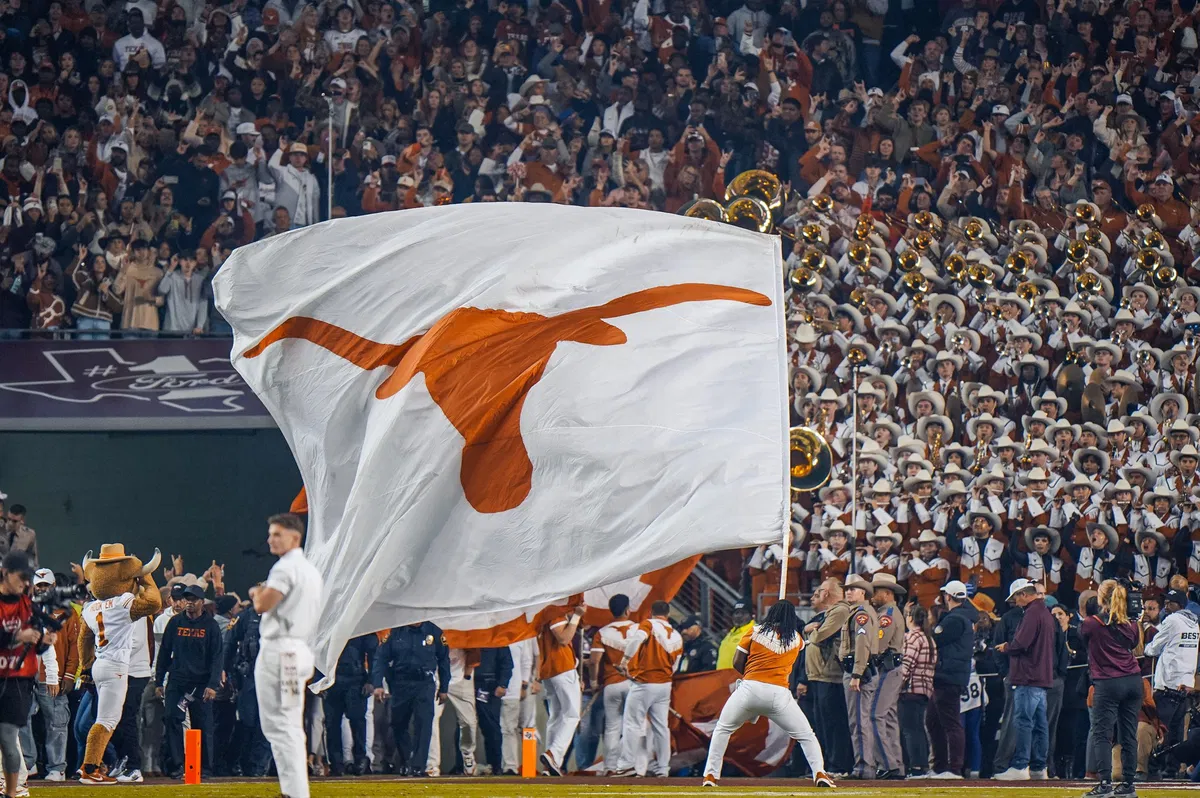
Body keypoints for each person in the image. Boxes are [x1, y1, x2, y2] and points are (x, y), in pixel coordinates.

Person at [702, 600, 834, 788]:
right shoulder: (796, 639)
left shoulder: (754, 631)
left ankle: (710, 776)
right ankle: (819, 773)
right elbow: (801, 642)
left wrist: (748, 674)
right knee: (806, 735)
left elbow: (737, 661)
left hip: (751, 688)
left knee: (723, 730)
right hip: (779, 693)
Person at [250, 513, 323, 798]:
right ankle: (294, 790)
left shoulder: (284, 568)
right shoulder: (311, 570)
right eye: (270, 533)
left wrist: (257, 592)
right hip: (300, 649)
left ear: (295, 537)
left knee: (279, 725)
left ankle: (294, 792)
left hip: (280, 650)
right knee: (290, 723)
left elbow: (263, 604)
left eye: (277, 534)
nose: (271, 539)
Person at [1081, 580, 1144, 798]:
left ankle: (1105, 784)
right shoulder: (1132, 624)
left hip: (1108, 682)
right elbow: (1134, 642)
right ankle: (1128, 784)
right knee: (1129, 734)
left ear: (1101, 598)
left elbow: (1084, 640)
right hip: (1134, 680)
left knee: (1102, 733)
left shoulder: (1092, 623)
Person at [0, 553, 55, 798]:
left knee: (8, 735)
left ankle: (16, 787)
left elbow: (39, 645)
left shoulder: (28, 605)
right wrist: (16, 638)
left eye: (26, 579)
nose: (24, 583)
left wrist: (45, 641)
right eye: (20, 577)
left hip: (17, 680)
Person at [155, 584, 222, 778]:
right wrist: (159, 681)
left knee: (202, 724)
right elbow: (165, 653)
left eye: (193, 599)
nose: (189, 603)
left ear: (202, 602)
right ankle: (177, 766)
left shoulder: (211, 625)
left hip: (200, 685)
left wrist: (212, 685)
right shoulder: (175, 623)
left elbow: (217, 657)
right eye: (186, 599)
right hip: (178, 682)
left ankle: (205, 769)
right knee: (172, 718)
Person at [994, 578, 1055, 781]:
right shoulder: (1044, 612)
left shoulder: (1031, 613)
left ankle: (1020, 764)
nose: (1014, 602)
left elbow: (1021, 643)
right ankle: (1039, 767)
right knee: (1040, 724)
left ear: (1023, 595)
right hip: (1041, 677)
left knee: (1023, 721)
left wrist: (1006, 647)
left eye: (1015, 598)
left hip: (1027, 676)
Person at [370, 621, 450, 776]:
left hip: (424, 684)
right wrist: (378, 684)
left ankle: (418, 766)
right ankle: (406, 759)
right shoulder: (395, 632)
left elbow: (443, 659)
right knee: (398, 724)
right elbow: (381, 658)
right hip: (401, 683)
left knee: (424, 725)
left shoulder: (434, 631)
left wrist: (444, 688)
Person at [613, 601, 682, 777]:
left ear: (652, 612)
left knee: (632, 724)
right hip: (665, 684)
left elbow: (637, 639)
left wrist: (625, 661)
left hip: (645, 683)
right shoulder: (676, 635)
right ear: (667, 614)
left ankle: (627, 765)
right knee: (662, 727)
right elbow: (676, 664)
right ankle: (663, 769)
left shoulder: (649, 624)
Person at [23, 569, 75, 783]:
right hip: (26, 675)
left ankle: (57, 767)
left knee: (56, 721)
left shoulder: (66, 611)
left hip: (51, 675)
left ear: (54, 586)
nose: (42, 588)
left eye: (46, 585)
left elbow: (74, 647)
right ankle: (28, 763)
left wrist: (67, 675)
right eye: (40, 585)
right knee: (20, 720)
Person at [1142, 589, 1199, 779]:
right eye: (1166, 602)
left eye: (1170, 602)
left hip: (1168, 685)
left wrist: (1147, 646)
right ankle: (1172, 768)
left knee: (1161, 729)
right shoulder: (1194, 624)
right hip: (1185, 686)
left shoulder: (1172, 620)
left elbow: (1153, 648)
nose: (1167, 606)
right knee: (1176, 733)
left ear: (1179, 605)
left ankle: (1153, 769)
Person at [927, 580, 977, 780]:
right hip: (949, 675)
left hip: (947, 675)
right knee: (934, 721)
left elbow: (935, 639)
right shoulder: (963, 616)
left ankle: (954, 768)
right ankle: (940, 767)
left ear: (948, 596)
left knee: (950, 723)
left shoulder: (955, 619)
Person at [804, 578, 853, 775]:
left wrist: (811, 631)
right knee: (823, 723)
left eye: (821, 590)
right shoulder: (830, 613)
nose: (818, 593)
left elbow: (819, 636)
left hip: (830, 675)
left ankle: (838, 765)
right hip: (820, 674)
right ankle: (825, 766)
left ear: (827, 593)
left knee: (833, 723)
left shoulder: (840, 611)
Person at [536, 604, 585, 776]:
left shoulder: (543, 613)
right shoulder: (553, 611)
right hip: (562, 668)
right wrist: (576, 617)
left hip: (550, 671)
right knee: (572, 715)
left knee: (556, 718)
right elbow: (563, 639)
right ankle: (554, 755)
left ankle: (549, 766)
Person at [588, 595, 634, 775]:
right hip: (633, 683)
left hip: (611, 684)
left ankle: (610, 767)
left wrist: (593, 682)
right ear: (628, 610)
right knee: (634, 725)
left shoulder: (603, 632)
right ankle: (629, 764)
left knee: (612, 727)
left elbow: (594, 661)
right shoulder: (639, 630)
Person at [840, 575, 880, 780]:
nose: (848, 591)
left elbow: (862, 645)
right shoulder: (858, 612)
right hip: (861, 670)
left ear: (863, 592)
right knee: (860, 720)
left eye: (853, 589)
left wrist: (857, 673)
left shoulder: (861, 614)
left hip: (859, 672)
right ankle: (864, 766)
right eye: (847, 588)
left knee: (859, 721)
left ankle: (864, 768)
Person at [869, 573, 907, 779]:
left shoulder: (887, 614)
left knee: (875, 715)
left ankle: (887, 764)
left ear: (887, 593)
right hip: (892, 669)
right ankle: (896, 765)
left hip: (887, 668)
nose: (871, 596)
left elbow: (880, 644)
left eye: (875, 592)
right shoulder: (890, 612)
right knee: (889, 717)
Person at [324, 635, 377, 776]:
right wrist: (320, 681)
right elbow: (320, 651)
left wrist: (371, 681)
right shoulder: (331, 622)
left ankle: (360, 759)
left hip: (356, 678)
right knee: (332, 724)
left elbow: (373, 654)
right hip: (332, 680)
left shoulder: (360, 625)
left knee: (357, 721)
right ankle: (336, 764)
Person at [900, 603, 936, 778]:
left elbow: (907, 664)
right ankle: (922, 765)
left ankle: (916, 766)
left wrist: (896, 685)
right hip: (924, 689)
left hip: (910, 688)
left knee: (909, 729)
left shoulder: (912, 637)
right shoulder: (928, 638)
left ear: (910, 618)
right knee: (917, 728)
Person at [472, 646, 514, 776]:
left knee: (491, 727)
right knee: (464, 725)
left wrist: (502, 684)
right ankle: (462, 765)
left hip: (489, 685)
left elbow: (507, 663)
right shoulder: (470, 633)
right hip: (468, 682)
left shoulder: (496, 636)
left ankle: (495, 765)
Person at [716, 602, 754, 669]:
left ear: (751, 615)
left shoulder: (754, 633)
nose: (738, 616)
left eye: (743, 613)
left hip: (740, 678)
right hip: (723, 677)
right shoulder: (730, 634)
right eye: (736, 613)